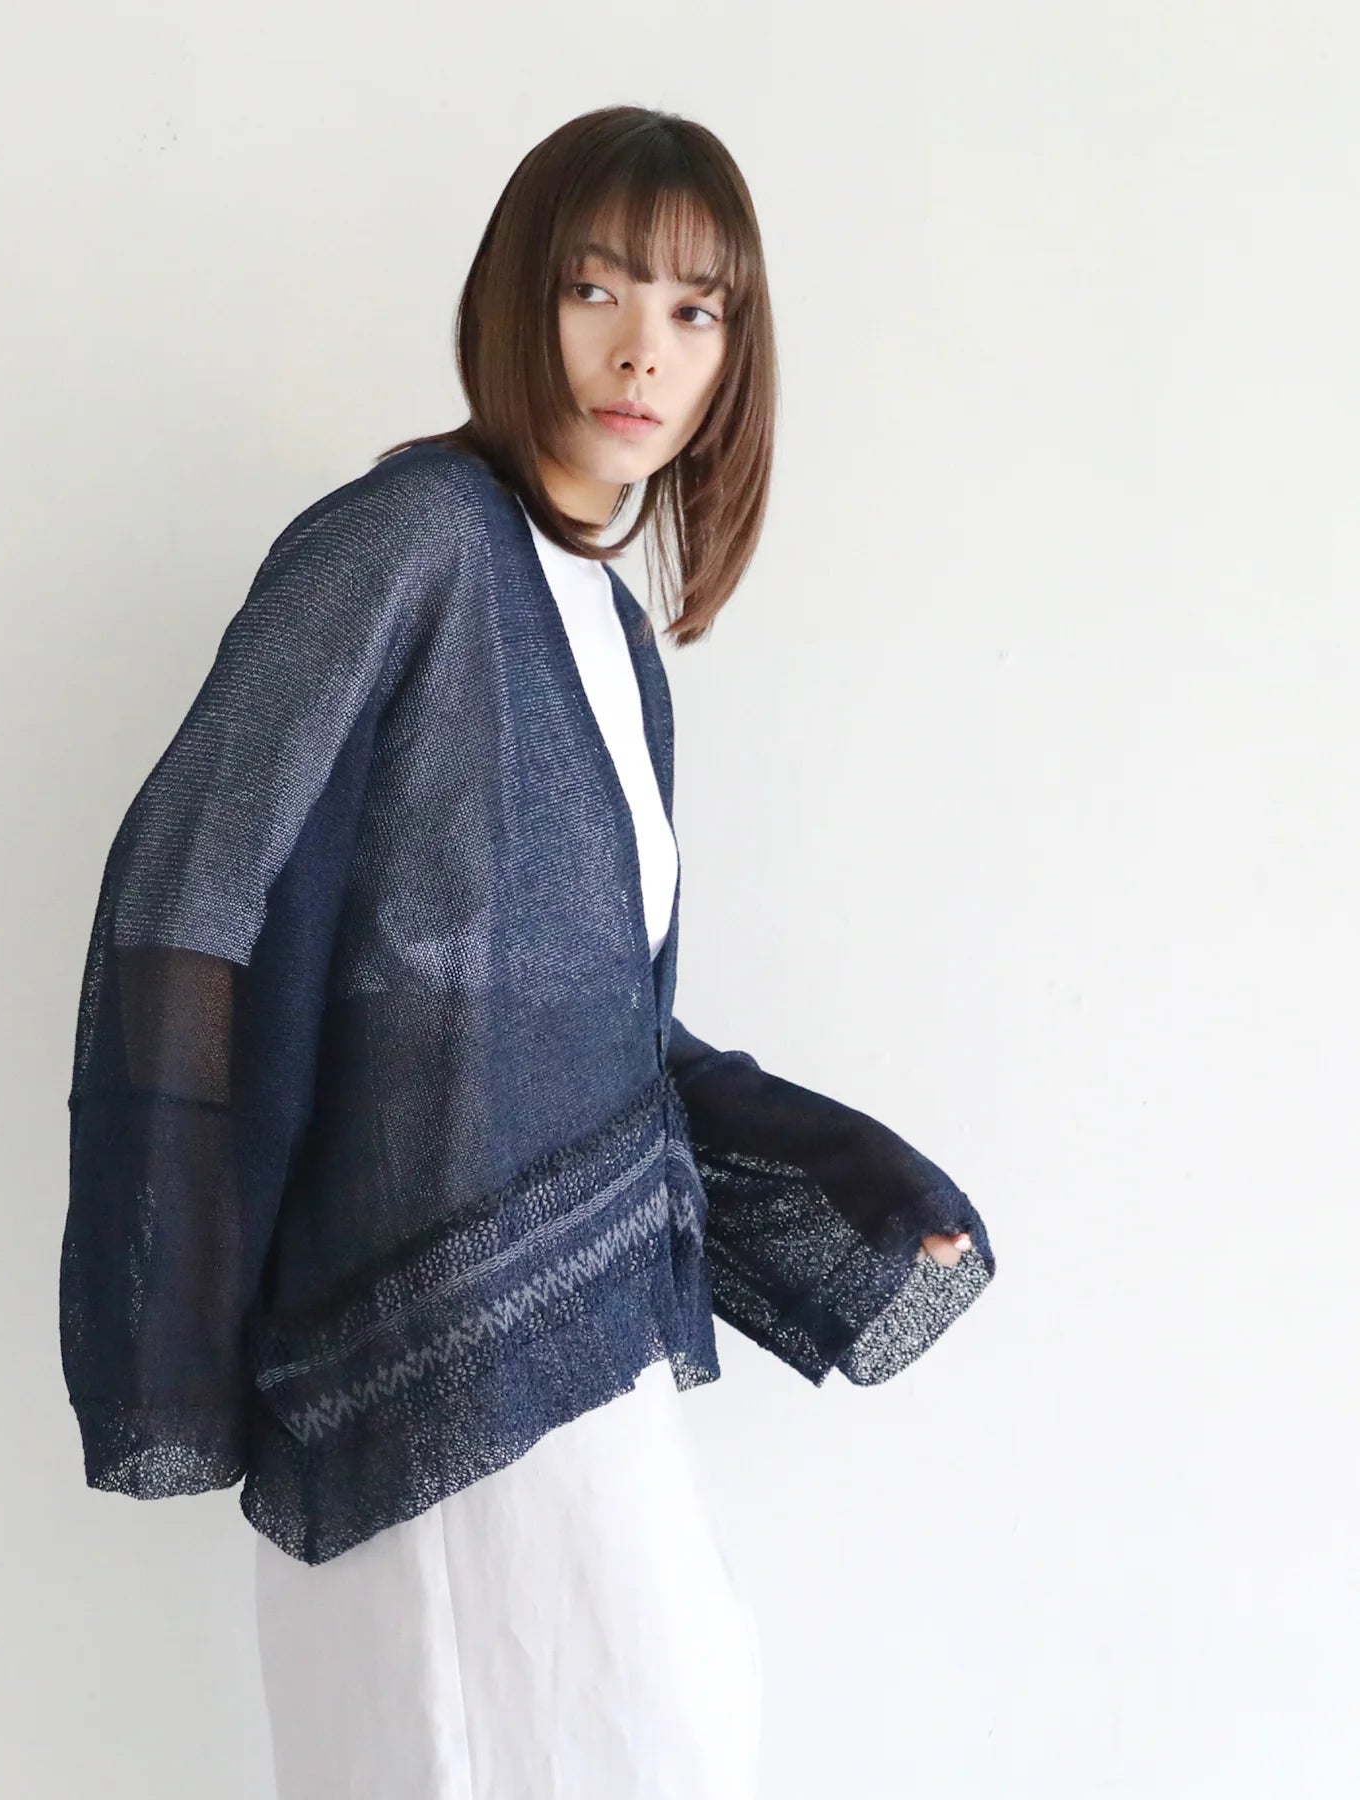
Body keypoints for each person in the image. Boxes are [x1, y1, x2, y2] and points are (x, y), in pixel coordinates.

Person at [59, 104, 995, 1800]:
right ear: (517, 302)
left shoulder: (614, 638)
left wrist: (853, 1174)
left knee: (676, 1731)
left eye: (697, 311)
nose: (644, 350)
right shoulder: (405, 542)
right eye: (596, 290)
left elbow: (610, 1034)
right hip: (408, 1371)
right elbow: (184, 898)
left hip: (574, 1340)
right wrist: (174, 1320)